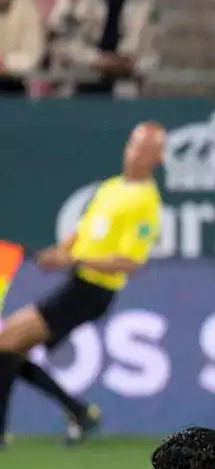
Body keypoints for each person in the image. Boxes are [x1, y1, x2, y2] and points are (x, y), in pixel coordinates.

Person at [0, 121, 166, 448]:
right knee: (10, 349)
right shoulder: (112, 187)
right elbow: (84, 232)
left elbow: (131, 262)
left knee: (6, 342)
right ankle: (80, 412)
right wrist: (59, 253)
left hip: (94, 291)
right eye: (133, 144)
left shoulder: (146, 203)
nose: (134, 153)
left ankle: (74, 413)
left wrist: (73, 260)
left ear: (157, 158)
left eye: (145, 149)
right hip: (78, 282)